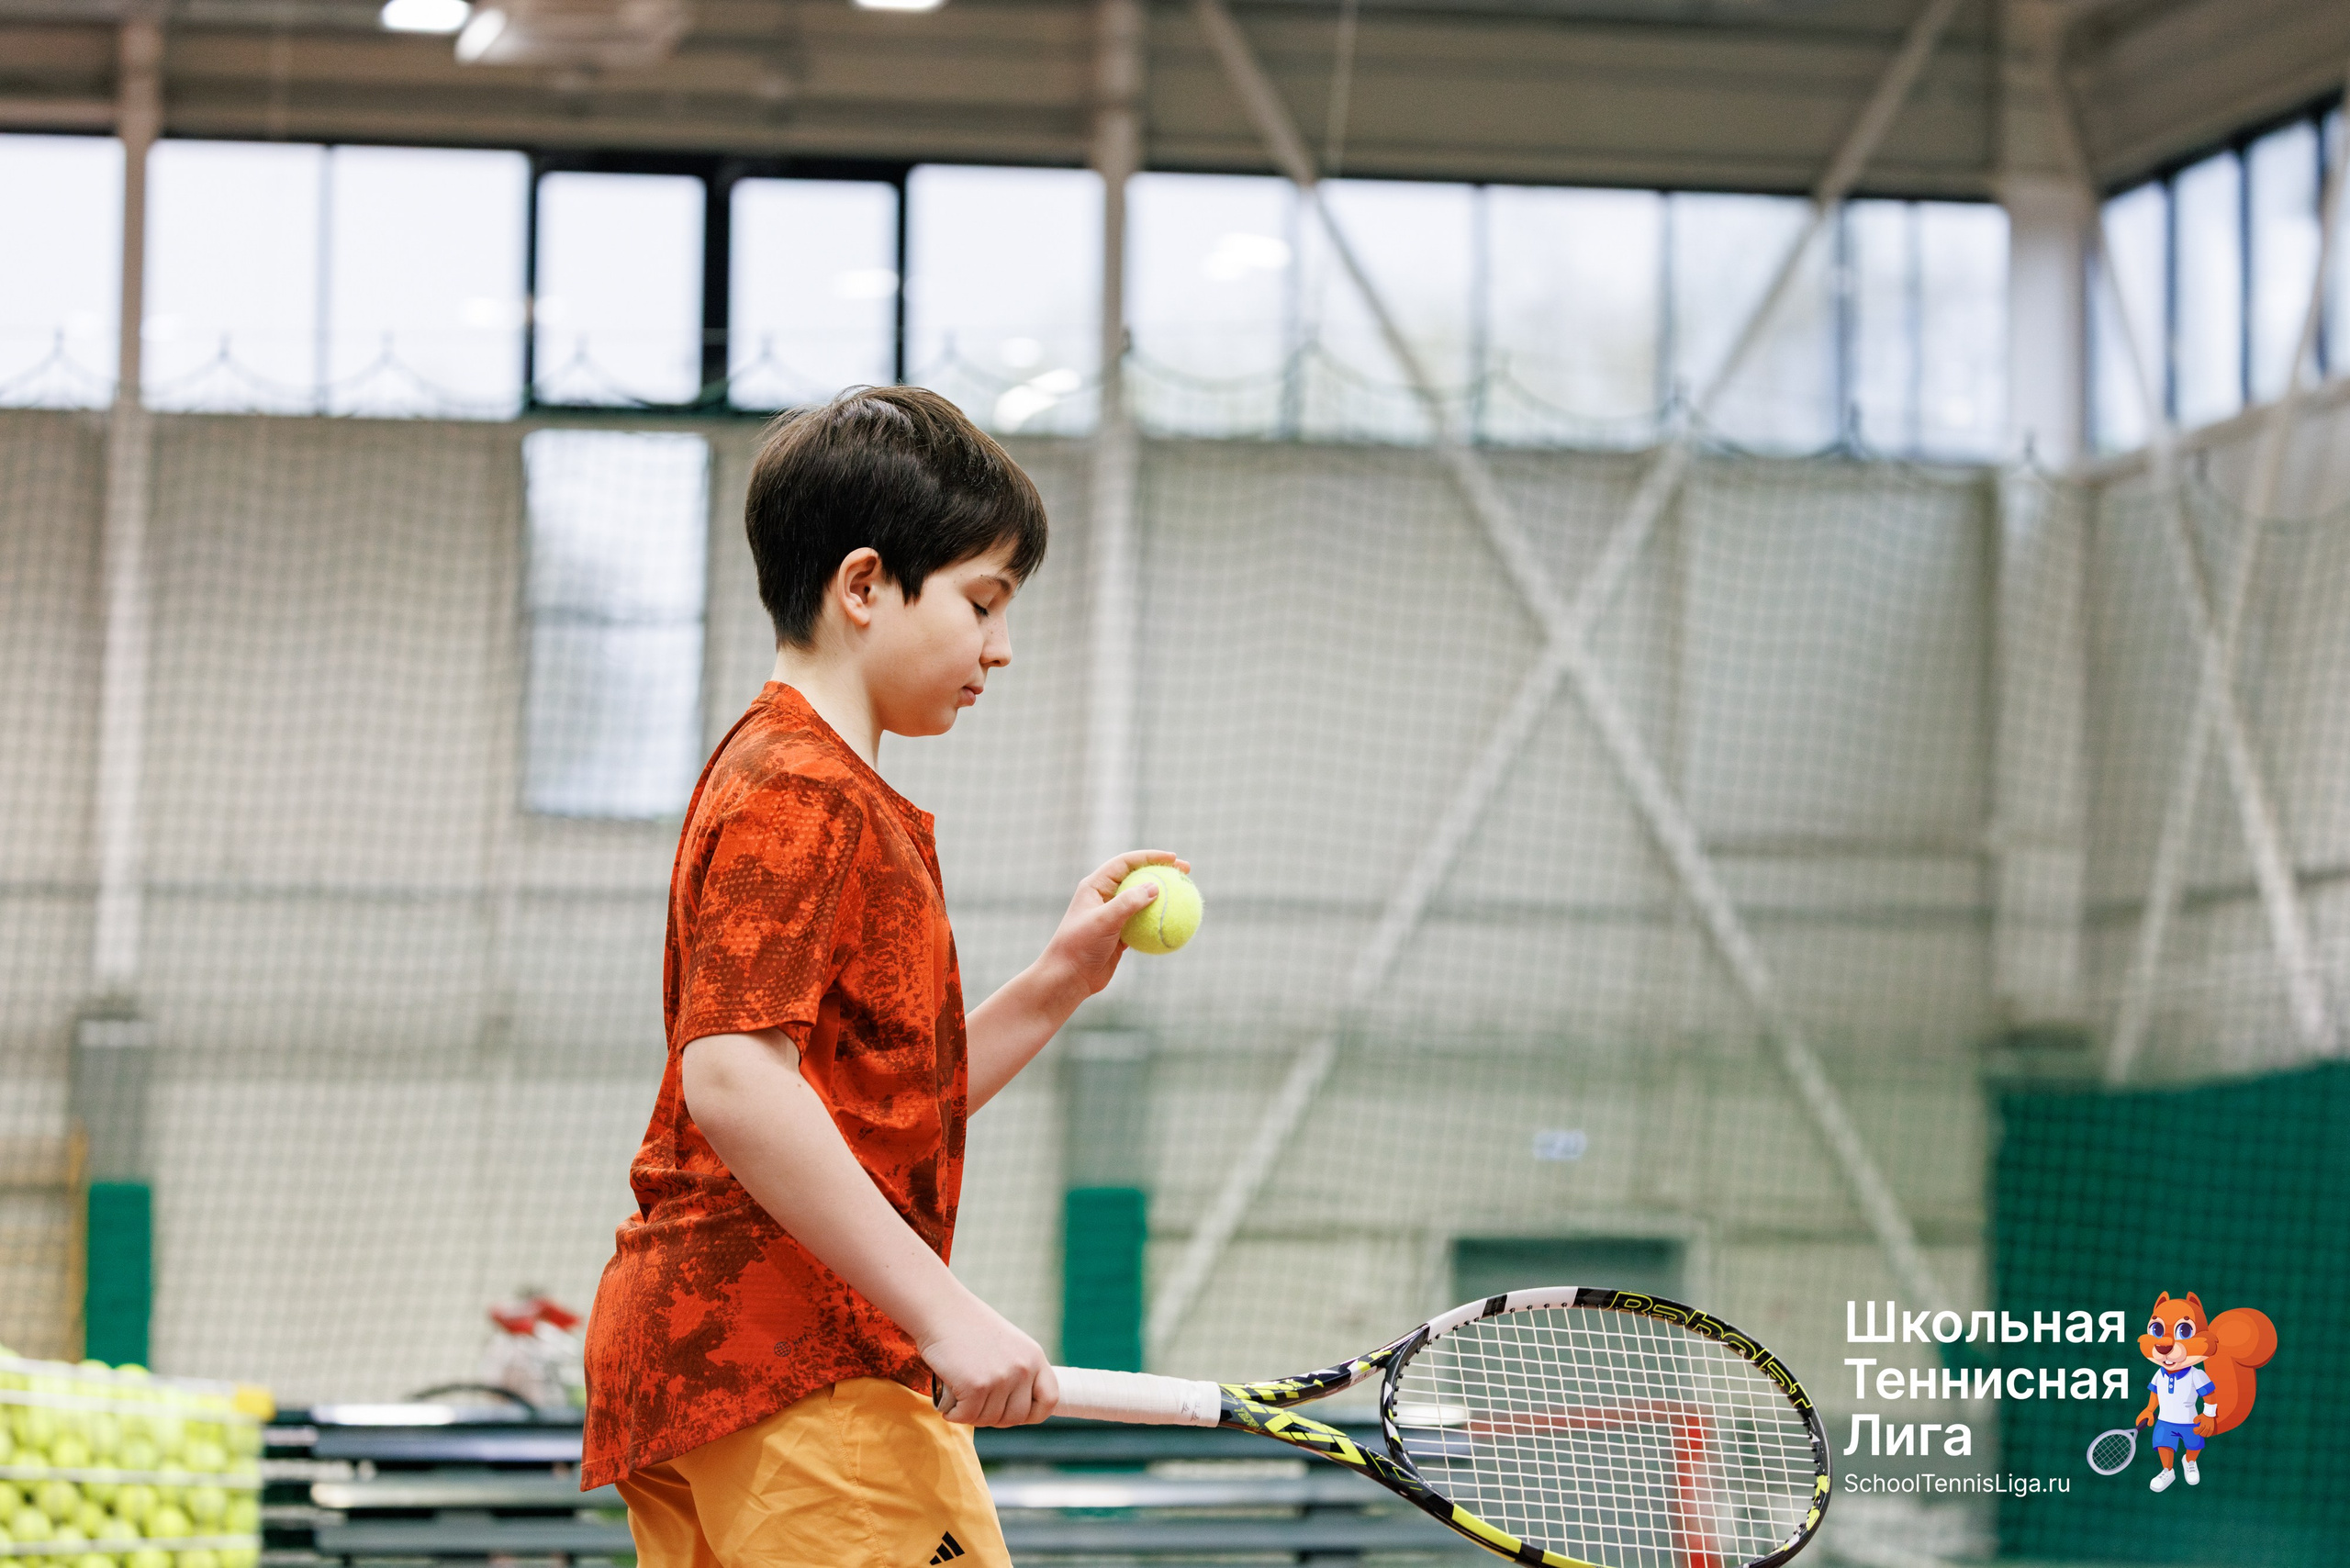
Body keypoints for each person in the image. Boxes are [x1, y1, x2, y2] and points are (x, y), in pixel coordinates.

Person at [579, 386, 1181, 1568]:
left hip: (707, 1364)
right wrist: (946, 1314)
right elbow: (740, 1084)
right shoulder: (804, 788)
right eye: (983, 602)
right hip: (795, 1360)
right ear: (865, 587)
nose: (1000, 646)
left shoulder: (791, 777)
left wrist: (1056, 984)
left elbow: (872, 1112)